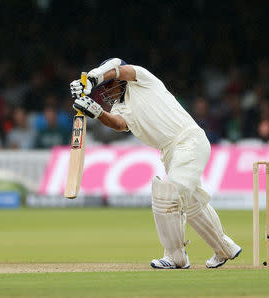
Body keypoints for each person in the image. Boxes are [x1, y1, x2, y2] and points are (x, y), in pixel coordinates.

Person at [70, 58, 241, 269]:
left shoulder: (141, 78)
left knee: (167, 194)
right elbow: (119, 124)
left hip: (188, 140)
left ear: (118, 80)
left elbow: (116, 66)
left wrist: (93, 79)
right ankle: (224, 248)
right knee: (191, 202)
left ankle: (176, 257)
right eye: (102, 87)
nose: (105, 90)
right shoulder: (121, 107)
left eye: (108, 85)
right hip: (171, 152)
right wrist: (95, 110)